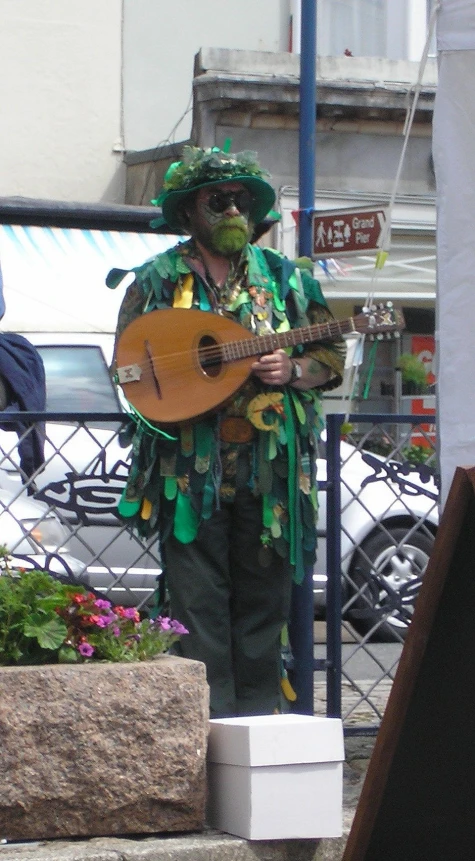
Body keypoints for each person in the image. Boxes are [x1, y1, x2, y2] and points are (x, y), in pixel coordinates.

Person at [108, 144, 345, 718]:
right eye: (220, 200)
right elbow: (129, 367)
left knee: (264, 603)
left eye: (242, 200)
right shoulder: (157, 280)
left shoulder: (286, 278)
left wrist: (293, 370)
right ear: (190, 210)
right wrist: (176, 383)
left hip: (269, 470)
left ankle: (260, 730)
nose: (235, 210)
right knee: (197, 603)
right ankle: (206, 733)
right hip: (187, 471)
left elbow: (331, 354)